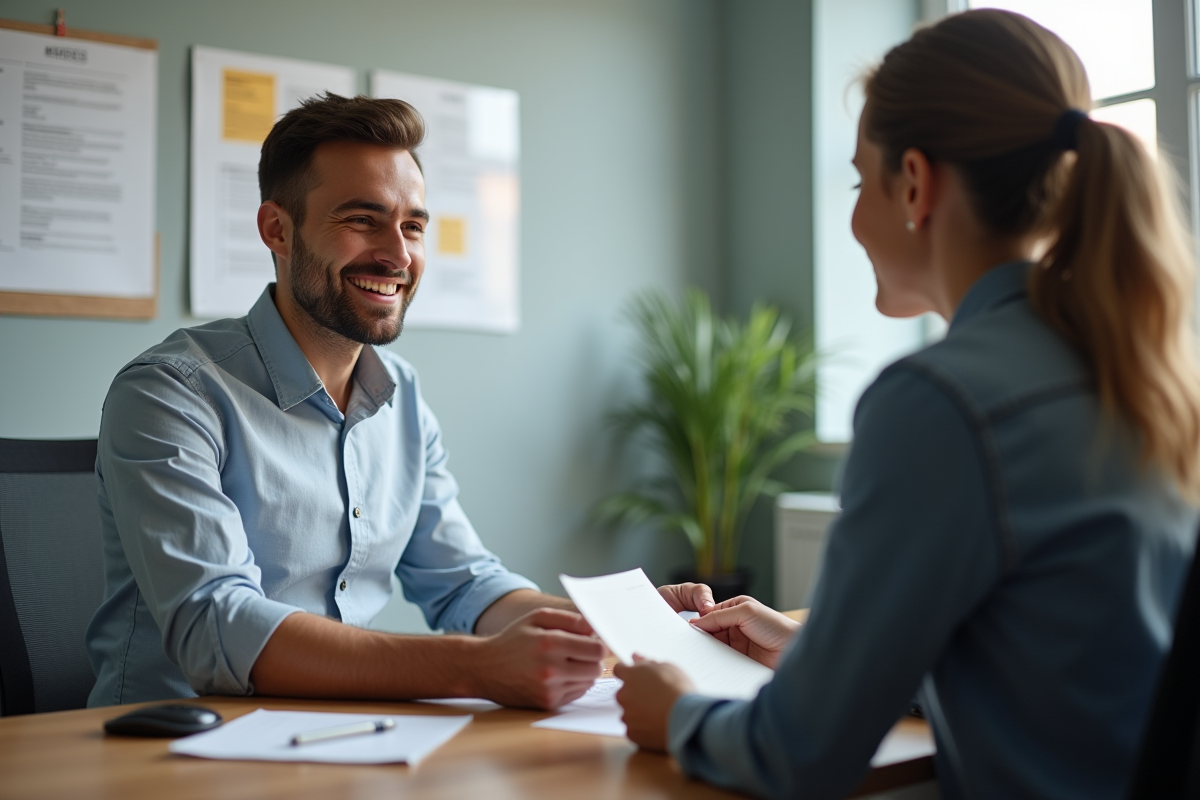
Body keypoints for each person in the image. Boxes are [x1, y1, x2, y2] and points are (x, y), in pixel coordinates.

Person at [614, 10, 1200, 799]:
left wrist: (677, 711)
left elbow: (802, 753)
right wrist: (812, 648)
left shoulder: (941, 401)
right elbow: (1069, 675)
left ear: (916, 183)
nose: (856, 215)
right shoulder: (1142, 372)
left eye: (861, 182)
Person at [86, 92, 712, 709]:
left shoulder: (401, 395)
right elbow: (217, 624)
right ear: (277, 229)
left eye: (412, 225)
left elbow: (466, 586)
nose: (398, 254)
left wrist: (628, 620)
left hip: (343, 739)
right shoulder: (171, 393)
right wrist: (478, 669)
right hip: (173, 748)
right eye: (362, 220)